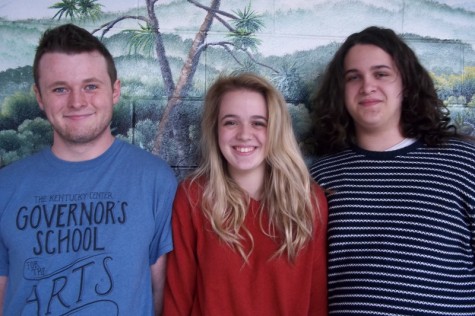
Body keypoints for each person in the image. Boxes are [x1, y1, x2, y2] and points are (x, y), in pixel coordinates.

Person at [0, 24, 177, 315]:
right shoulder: (6, 187)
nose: (77, 101)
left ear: (115, 90)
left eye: (91, 86)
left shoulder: (154, 180)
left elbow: (160, 295)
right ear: (39, 97)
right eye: (60, 89)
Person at [310, 25, 475, 315]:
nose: (367, 86)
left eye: (381, 74)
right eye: (353, 77)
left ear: (407, 84)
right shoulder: (321, 174)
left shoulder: (464, 162)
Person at [163, 73, 328, 315]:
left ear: (276, 130)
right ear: (215, 129)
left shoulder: (308, 200)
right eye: (231, 122)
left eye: (258, 123)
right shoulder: (193, 197)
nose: (244, 134)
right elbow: (177, 300)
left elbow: (317, 302)